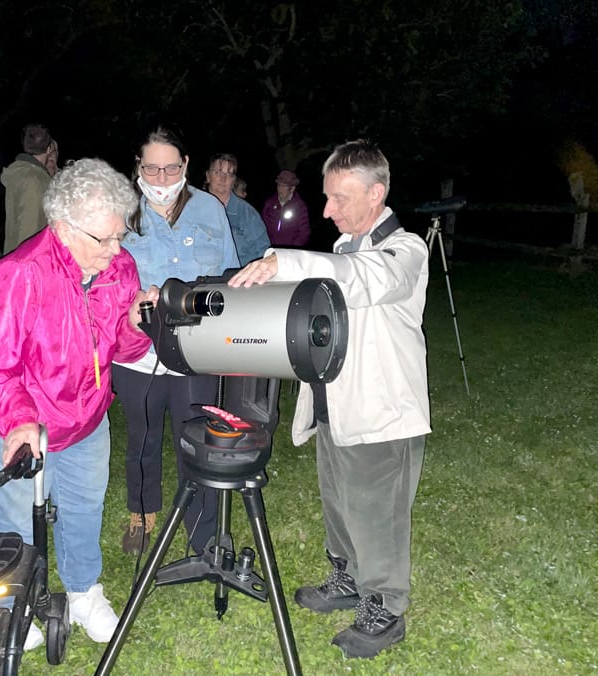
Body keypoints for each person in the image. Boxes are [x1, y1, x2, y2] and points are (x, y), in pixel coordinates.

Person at [229, 139, 430, 660]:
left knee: (376, 513)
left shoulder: (405, 252)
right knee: (341, 505)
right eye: (327, 197)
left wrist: (285, 262)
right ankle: (346, 579)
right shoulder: (344, 249)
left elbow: (364, 281)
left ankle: (384, 607)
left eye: (340, 198)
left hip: (381, 415)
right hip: (336, 407)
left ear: (376, 193)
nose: (326, 209)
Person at [0, 158, 157, 646]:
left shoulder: (119, 268)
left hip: (85, 417)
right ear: (63, 227)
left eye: (120, 236)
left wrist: (137, 324)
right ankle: (13, 604)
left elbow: (122, 348)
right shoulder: (20, 275)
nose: (116, 251)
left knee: (83, 509)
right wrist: (21, 420)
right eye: (105, 239)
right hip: (15, 421)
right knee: (11, 518)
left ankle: (84, 592)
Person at [112, 124, 240, 556]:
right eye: (152, 168)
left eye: (171, 168)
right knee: (142, 437)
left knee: (197, 440)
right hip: (136, 352)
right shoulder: (120, 210)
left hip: (195, 350)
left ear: (186, 165)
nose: (162, 179)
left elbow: (228, 278)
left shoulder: (208, 209)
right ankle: (142, 515)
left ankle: (203, 531)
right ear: (138, 166)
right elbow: (103, 278)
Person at [1, 123, 58, 254]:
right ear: (49, 149)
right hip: (29, 263)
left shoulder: (24, 173)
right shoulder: (33, 180)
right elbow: (28, 230)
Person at [204, 153, 271, 264]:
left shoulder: (248, 214)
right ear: (208, 176)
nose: (223, 178)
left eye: (229, 174)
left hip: (237, 277)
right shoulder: (193, 209)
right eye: (218, 172)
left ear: (234, 180)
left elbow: (263, 254)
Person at [261, 169, 311, 247]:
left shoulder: (300, 206)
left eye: (284, 186)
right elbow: (262, 226)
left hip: (289, 251)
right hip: (270, 248)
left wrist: (293, 247)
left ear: (292, 188)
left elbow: (304, 232)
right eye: (279, 185)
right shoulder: (269, 203)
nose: (280, 189)